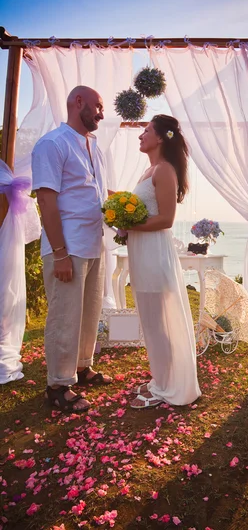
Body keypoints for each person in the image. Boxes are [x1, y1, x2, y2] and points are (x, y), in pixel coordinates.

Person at [32, 86, 112, 413]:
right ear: (78, 102)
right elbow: (46, 201)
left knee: (89, 313)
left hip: (95, 244)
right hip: (67, 247)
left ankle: (81, 367)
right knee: (65, 316)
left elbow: (97, 193)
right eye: (98, 106)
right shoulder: (53, 144)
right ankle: (58, 386)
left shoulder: (95, 146)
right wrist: (60, 253)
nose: (101, 114)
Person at [128, 114, 201, 408]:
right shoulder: (148, 171)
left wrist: (130, 223)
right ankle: (161, 377)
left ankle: (167, 386)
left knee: (159, 322)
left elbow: (166, 219)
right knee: (150, 321)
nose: (140, 135)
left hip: (154, 252)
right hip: (141, 250)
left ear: (160, 138)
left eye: (146, 130)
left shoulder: (165, 170)